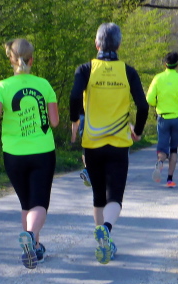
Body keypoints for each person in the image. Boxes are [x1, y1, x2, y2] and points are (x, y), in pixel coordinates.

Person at [70, 23, 149, 264]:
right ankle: (106, 229)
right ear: (119, 45)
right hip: (118, 143)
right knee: (114, 195)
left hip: (92, 142)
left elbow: (74, 96)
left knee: (98, 195)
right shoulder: (128, 71)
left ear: (97, 44)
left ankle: (102, 241)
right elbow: (143, 106)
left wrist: (75, 121)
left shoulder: (85, 69)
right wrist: (137, 131)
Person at [0, 39, 59, 269]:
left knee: (26, 202)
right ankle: (30, 235)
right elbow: (55, 121)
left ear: (11, 60)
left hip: (14, 154)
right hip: (42, 151)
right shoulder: (44, 85)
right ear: (31, 60)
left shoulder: (1, 87)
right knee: (39, 202)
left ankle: (34, 247)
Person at [145, 51, 178, 188]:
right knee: (174, 149)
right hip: (177, 117)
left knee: (162, 147)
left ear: (165, 64)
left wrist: (156, 104)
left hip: (163, 117)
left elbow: (149, 98)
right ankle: (169, 179)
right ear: (177, 64)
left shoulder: (158, 78)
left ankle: (160, 162)